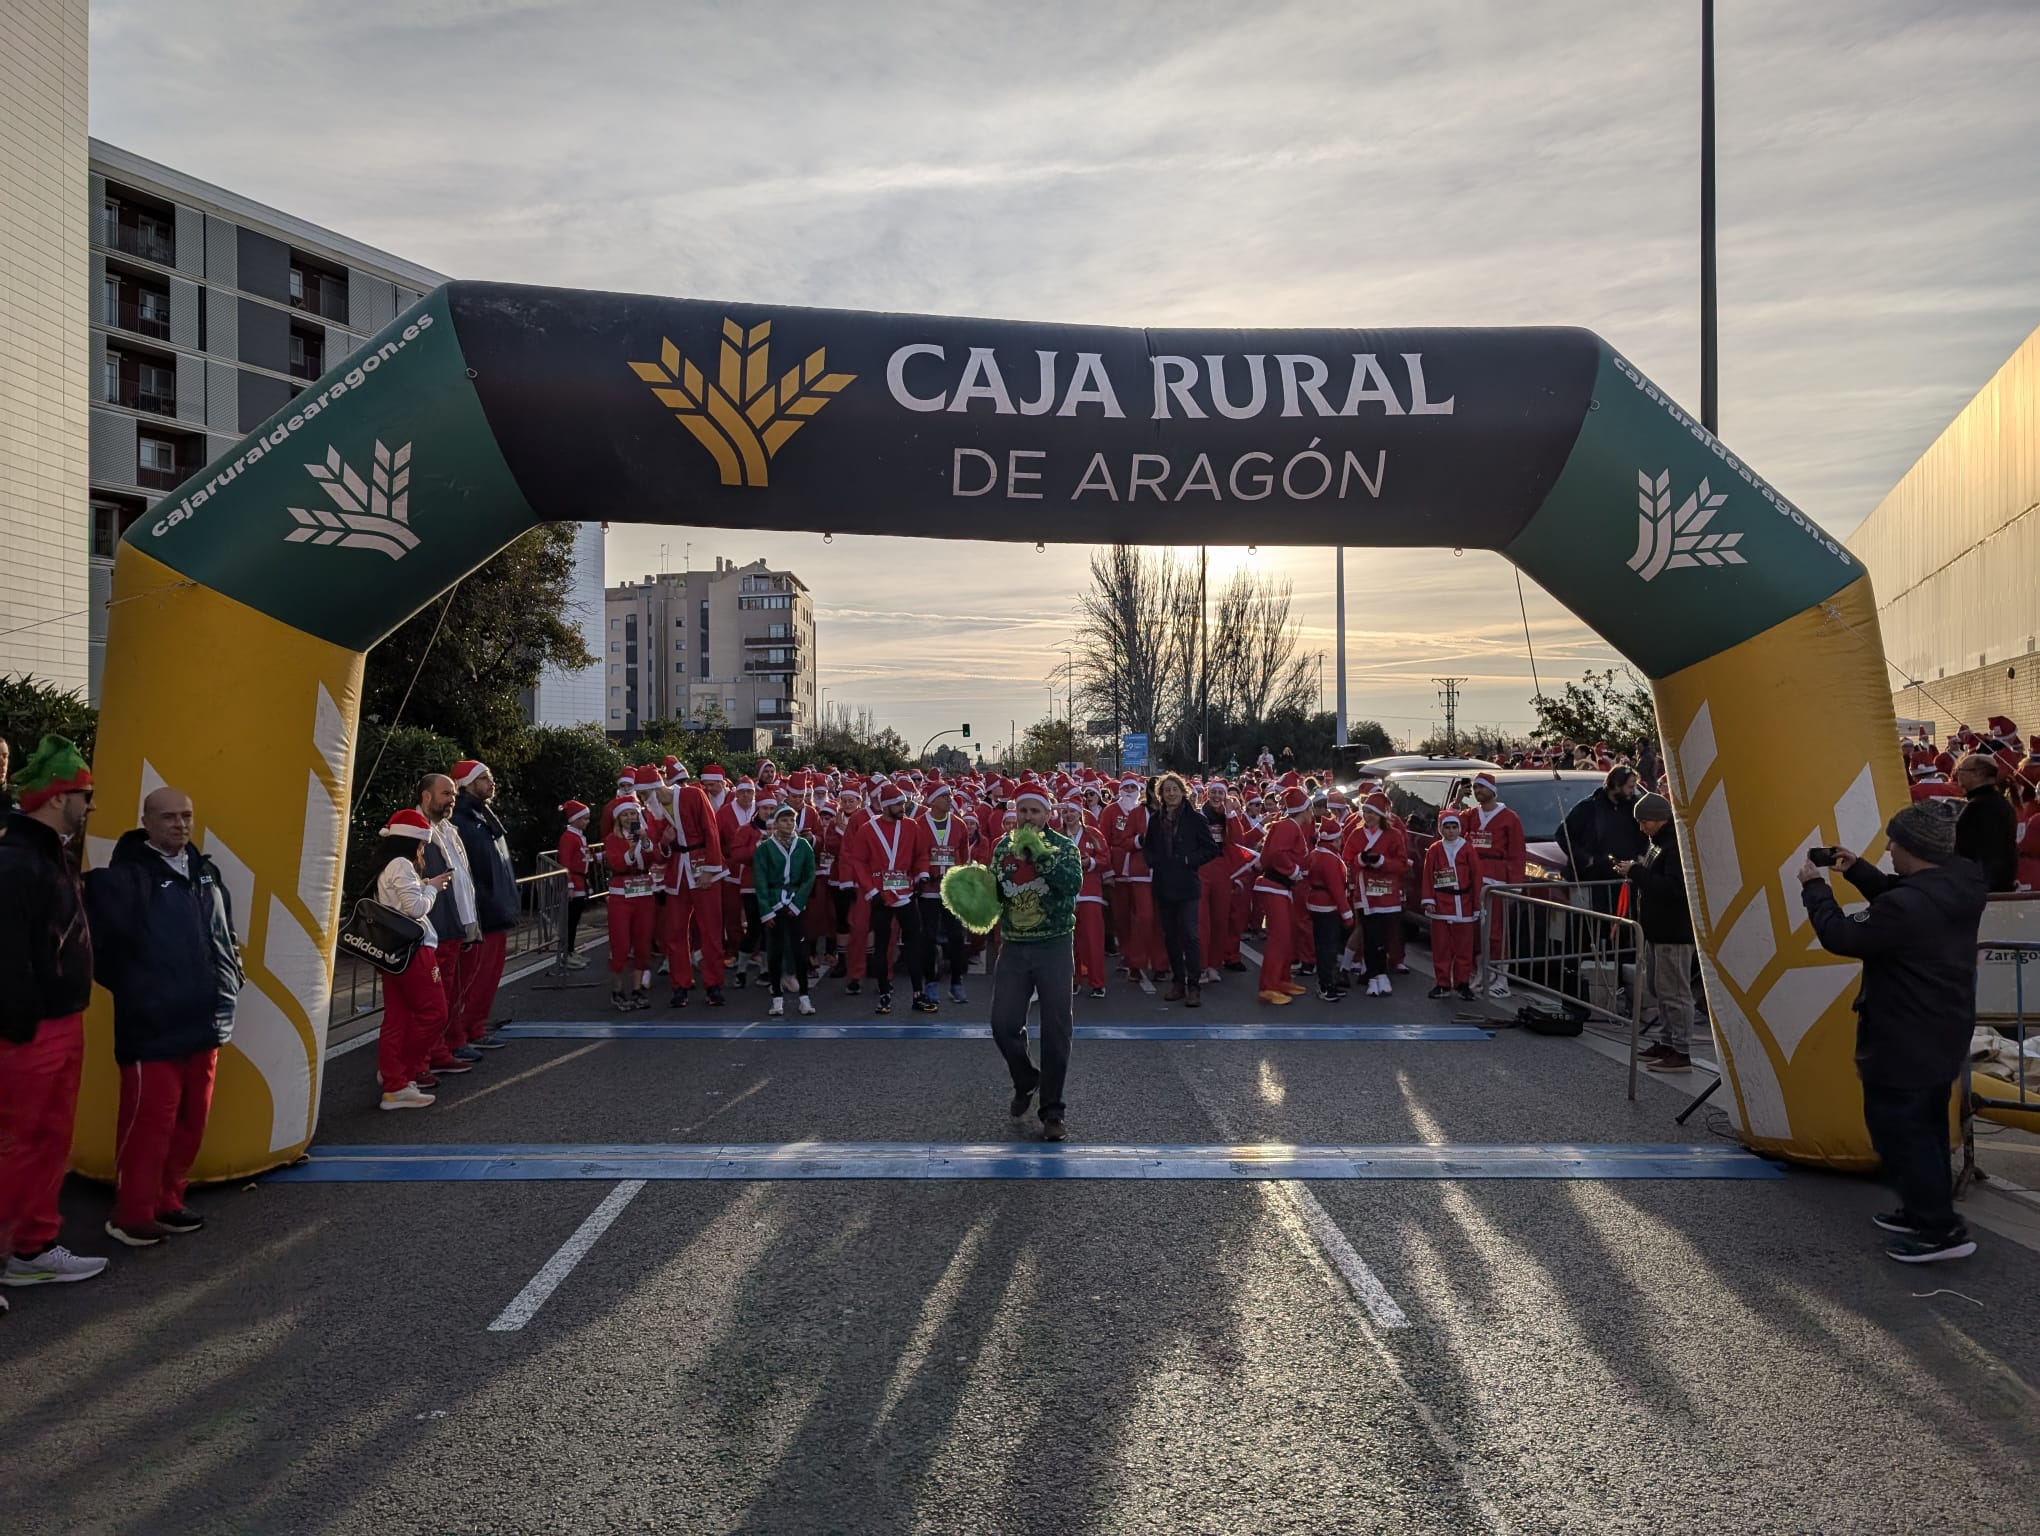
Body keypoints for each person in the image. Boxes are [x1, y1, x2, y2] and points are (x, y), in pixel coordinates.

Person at [1798, 800, 1987, 1263]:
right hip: (1941, 1026)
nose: (1888, 850)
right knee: (1924, 1128)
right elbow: (1902, 898)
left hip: (1903, 1030)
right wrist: (1859, 871)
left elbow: (1841, 935)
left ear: (1916, 849)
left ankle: (1941, 1232)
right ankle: (1925, 1211)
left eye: (1894, 843)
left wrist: (1815, 889)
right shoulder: (1962, 881)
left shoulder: (1909, 906)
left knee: (1899, 1131)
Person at [84, 787, 244, 1247]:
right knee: (148, 1126)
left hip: (206, 1018)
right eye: (169, 817)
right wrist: (142, 991)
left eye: (187, 816)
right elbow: (100, 950)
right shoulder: (128, 876)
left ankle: (168, 1200)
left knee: (192, 1121)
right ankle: (132, 1212)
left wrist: (233, 976)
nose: (179, 824)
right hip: (152, 1026)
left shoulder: (204, 870)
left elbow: (223, 933)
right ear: (147, 821)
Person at [0, 736, 109, 1298]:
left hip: (59, 1020)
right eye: (84, 794)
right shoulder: (18, 863)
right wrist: (21, 1023)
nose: (90, 804)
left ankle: (35, 1247)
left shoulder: (49, 855)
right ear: (58, 796)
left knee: (48, 1140)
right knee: (21, 1142)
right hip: (32, 1028)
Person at [985, 781, 1086, 1141]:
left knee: (1057, 1029)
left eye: (1035, 811)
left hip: (1054, 946)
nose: (1028, 817)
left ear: (1048, 814)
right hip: (1014, 947)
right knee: (1002, 1024)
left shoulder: (1062, 848)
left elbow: (1072, 885)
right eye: (1023, 810)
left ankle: (1053, 1111)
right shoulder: (1001, 848)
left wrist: (1039, 854)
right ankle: (1026, 1078)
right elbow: (994, 893)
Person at [371, 809, 455, 1111]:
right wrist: (431, 888)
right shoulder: (403, 865)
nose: (423, 850)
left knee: (397, 1017)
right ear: (413, 842)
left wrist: (425, 884)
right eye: (422, 845)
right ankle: (400, 1078)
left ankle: (393, 1078)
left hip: (393, 950)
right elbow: (416, 909)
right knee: (434, 1013)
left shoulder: (388, 864)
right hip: (414, 950)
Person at [1615, 792, 1695, 1073]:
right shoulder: (1657, 844)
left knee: (1674, 992)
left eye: (1645, 821)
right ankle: (1667, 1041)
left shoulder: (1674, 848)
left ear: (1660, 819)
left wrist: (1636, 872)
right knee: (1660, 989)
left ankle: (1681, 1050)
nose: (1641, 828)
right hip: (1657, 930)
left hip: (1673, 931)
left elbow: (1674, 889)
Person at [416, 773, 482, 1077]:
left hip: (456, 925)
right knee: (432, 1001)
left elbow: (461, 881)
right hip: (434, 929)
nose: (451, 799)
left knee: (449, 995)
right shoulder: (414, 831)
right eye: (445, 794)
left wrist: (469, 923)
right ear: (427, 797)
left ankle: (441, 1051)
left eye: (453, 794)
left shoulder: (449, 830)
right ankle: (425, 1059)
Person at [449, 760, 517, 1046]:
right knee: (474, 979)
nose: (491, 783)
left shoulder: (482, 817)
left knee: (488, 978)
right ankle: (463, 1032)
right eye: (485, 778)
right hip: (481, 912)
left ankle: (475, 1028)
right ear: (466, 783)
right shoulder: (461, 821)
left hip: (494, 909)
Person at [1141, 772, 1219, 1005]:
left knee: (1190, 934)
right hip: (1164, 884)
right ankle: (1178, 982)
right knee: (1171, 936)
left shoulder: (1196, 819)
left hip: (1187, 884)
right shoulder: (1155, 820)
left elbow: (1211, 849)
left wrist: (1189, 860)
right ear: (1161, 795)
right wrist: (1154, 861)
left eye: (1175, 789)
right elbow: (1148, 848)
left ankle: (1193, 985)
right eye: (1167, 790)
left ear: (1182, 792)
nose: (1171, 794)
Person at [1465, 773, 1527, 999]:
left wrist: (1515, 884)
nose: (1477, 791)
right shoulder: (1471, 815)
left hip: (1497, 880)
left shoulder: (1509, 818)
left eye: (1481, 787)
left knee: (1497, 930)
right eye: (1475, 788)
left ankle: (1501, 977)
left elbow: (1518, 853)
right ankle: (1481, 972)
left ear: (1492, 789)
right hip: (1475, 879)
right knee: (1477, 930)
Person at [753, 803, 818, 1017]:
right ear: (776, 823)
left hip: (794, 905)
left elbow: (809, 877)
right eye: (784, 820)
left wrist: (797, 903)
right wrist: (766, 910)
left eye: (792, 820)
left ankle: (804, 998)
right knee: (775, 952)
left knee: (800, 952)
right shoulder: (764, 848)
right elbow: (760, 881)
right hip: (774, 904)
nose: (789, 824)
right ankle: (777, 999)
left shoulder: (803, 846)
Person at [1253, 788, 1313, 1005]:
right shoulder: (1288, 826)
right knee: (1279, 937)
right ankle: (1268, 986)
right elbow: (1277, 853)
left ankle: (1282, 980)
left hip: (1281, 887)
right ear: (1304, 809)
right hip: (1276, 885)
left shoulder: (1289, 825)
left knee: (1286, 936)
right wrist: (1292, 870)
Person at [917, 782, 974, 1006]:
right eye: (944, 796)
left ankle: (956, 983)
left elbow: (962, 854)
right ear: (932, 800)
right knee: (928, 936)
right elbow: (916, 852)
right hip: (929, 890)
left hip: (951, 889)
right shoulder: (920, 824)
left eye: (950, 795)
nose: (949, 799)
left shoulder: (959, 825)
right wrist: (923, 874)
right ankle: (930, 982)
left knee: (957, 936)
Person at [1420, 809, 1483, 1001]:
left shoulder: (1467, 848)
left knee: (1464, 948)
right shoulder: (1434, 849)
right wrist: (1429, 900)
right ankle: (1442, 983)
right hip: (1441, 903)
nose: (1450, 831)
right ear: (1441, 829)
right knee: (1441, 947)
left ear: (1460, 828)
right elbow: (1428, 877)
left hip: (1463, 904)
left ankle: (1462, 983)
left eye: (1454, 827)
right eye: (1446, 827)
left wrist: (1476, 905)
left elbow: (1476, 877)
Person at [1348, 795, 1407, 996]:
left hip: (1386, 893)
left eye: (1372, 812)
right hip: (1365, 892)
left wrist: (1382, 861)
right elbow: (1347, 857)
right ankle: (1375, 975)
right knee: (1370, 935)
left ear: (1381, 815)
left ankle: (1378, 974)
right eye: (1366, 812)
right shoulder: (1356, 835)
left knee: (1383, 935)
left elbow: (1401, 863)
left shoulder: (1394, 835)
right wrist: (1361, 859)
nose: (1368, 816)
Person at [603, 796, 658, 1011]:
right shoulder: (612, 839)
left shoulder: (644, 834)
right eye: (625, 815)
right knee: (621, 945)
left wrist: (645, 843)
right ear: (619, 818)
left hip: (644, 892)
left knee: (643, 943)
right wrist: (632, 849)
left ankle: (637, 990)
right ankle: (617, 990)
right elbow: (618, 862)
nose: (629, 818)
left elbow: (654, 858)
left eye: (633, 814)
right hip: (621, 895)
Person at [1953, 753, 2017, 892]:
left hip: (1983, 888)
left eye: (1961, 771)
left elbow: (1969, 850)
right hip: (1998, 884)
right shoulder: (2001, 803)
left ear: (1977, 774)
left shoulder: (1979, 806)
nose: (1958, 775)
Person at [556, 800, 593, 968]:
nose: (587, 822)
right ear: (574, 819)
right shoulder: (569, 837)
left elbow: (583, 859)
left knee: (575, 919)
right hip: (575, 883)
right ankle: (567, 952)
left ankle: (570, 950)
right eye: (584, 819)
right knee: (571, 920)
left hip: (581, 880)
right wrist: (569, 885)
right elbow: (565, 862)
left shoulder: (578, 836)